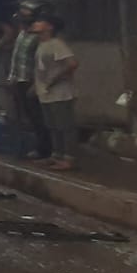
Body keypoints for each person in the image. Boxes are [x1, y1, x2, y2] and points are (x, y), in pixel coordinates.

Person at [33, 15, 80, 171]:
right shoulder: (42, 44)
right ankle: (56, 155)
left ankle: (69, 158)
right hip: (45, 93)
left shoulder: (57, 44)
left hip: (60, 92)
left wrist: (55, 79)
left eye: (40, 21)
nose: (35, 23)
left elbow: (72, 64)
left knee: (65, 126)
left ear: (50, 27)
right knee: (52, 126)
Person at [7, 2, 49, 158]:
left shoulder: (38, 37)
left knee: (38, 116)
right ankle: (29, 146)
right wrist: (12, 77)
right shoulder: (22, 34)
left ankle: (44, 149)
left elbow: (41, 63)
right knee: (26, 116)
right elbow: (16, 58)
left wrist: (36, 83)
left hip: (31, 81)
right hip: (19, 80)